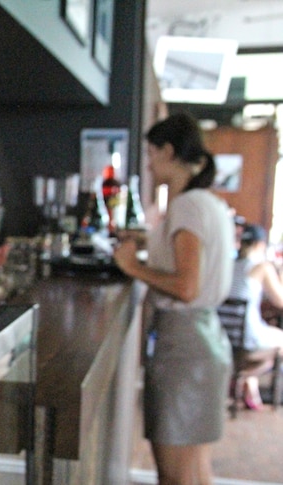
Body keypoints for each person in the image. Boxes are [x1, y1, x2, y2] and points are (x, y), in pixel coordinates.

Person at [113, 112, 234, 485]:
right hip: (203, 342)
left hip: (184, 350)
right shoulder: (205, 202)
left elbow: (186, 286)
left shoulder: (186, 206)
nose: (148, 164)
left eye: (151, 153)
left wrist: (133, 267)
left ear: (168, 151)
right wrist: (151, 242)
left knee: (175, 476)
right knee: (196, 472)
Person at [228, 223, 283, 409]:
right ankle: (247, 378)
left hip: (222, 335)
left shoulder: (228, 265)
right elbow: (280, 301)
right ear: (260, 245)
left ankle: (246, 384)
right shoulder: (261, 267)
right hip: (246, 338)